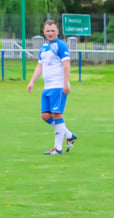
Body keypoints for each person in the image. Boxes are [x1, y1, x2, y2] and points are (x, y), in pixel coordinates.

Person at [26, 20, 78, 155]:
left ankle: (57, 148)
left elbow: (67, 64)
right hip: (47, 87)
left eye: (52, 30)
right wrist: (32, 81)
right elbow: (40, 66)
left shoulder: (60, 46)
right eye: (48, 31)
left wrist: (66, 83)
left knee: (57, 115)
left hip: (58, 85)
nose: (50, 33)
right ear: (44, 32)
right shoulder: (43, 47)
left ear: (57, 32)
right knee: (45, 115)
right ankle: (69, 135)